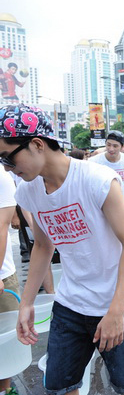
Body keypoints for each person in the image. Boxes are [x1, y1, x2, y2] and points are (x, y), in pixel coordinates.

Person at [0, 104, 124, 394]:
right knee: (59, 384)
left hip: (118, 302)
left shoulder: (95, 180)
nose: (6, 167)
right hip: (71, 303)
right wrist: (27, 302)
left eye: (8, 157)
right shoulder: (28, 190)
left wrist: (116, 312)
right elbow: (43, 244)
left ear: (37, 144)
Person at [89, 130, 124, 220]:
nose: (111, 149)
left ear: (122, 147)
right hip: (100, 207)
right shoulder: (94, 162)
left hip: (123, 206)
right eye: (108, 145)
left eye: (115, 146)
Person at [0, 168, 19, 395]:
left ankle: (5, 389)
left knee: (4, 341)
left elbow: (1, 227)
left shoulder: (2, 177)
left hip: (2, 276)